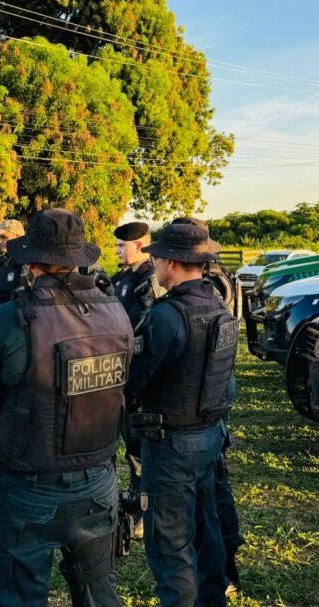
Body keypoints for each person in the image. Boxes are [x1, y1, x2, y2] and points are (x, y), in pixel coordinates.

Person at [0, 209, 133, 607]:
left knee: (16, 595)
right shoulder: (117, 310)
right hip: (99, 480)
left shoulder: (10, 319)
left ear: (33, 262)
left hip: (31, 486)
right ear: (78, 258)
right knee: (99, 591)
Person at [126, 219, 239, 607]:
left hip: (172, 442)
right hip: (210, 436)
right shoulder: (218, 305)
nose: (155, 265)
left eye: (157, 258)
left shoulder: (167, 315)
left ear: (170, 263)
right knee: (206, 531)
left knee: (170, 544)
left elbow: (134, 379)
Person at [111, 221, 165, 542]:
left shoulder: (150, 279)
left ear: (141, 245)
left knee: (139, 446)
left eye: (122, 246)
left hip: (139, 372)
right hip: (120, 372)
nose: (117, 250)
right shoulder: (122, 278)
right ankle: (134, 500)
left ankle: (145, 511)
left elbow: (135, 326)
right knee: (127, 439)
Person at [0, 219, 25, 307]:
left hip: (20, 318)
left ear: (18, 237)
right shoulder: (0, 261)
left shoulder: (28, 261)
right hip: (1, 315)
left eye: (4, 237)